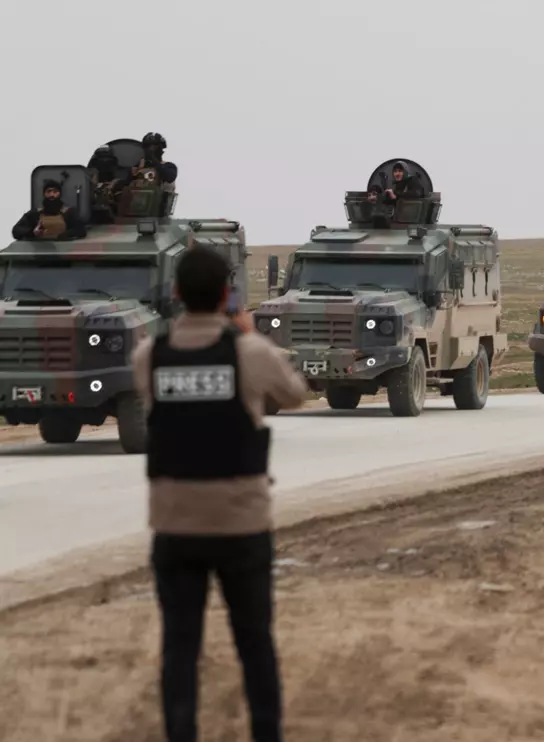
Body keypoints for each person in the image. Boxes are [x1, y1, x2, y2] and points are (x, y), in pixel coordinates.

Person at [131, 246, 309, 742]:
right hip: (240, 523)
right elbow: (293, 394)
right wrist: (248, 336)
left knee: (180, 646)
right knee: (254, 642)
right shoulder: (247, 352)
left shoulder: (150, 354)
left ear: (177, 294)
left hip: (175, 522)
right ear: (228, 295)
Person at [12, 180, 87, 241]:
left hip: (62, 249)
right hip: (39, 250)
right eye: (49, 191)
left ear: (59, 194)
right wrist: (32, 232)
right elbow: (16, 230)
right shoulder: (35, 214)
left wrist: (63, 235)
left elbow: (80, 230)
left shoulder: (69, 212)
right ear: (44, 194)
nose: (52, 195)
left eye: (55, 192)